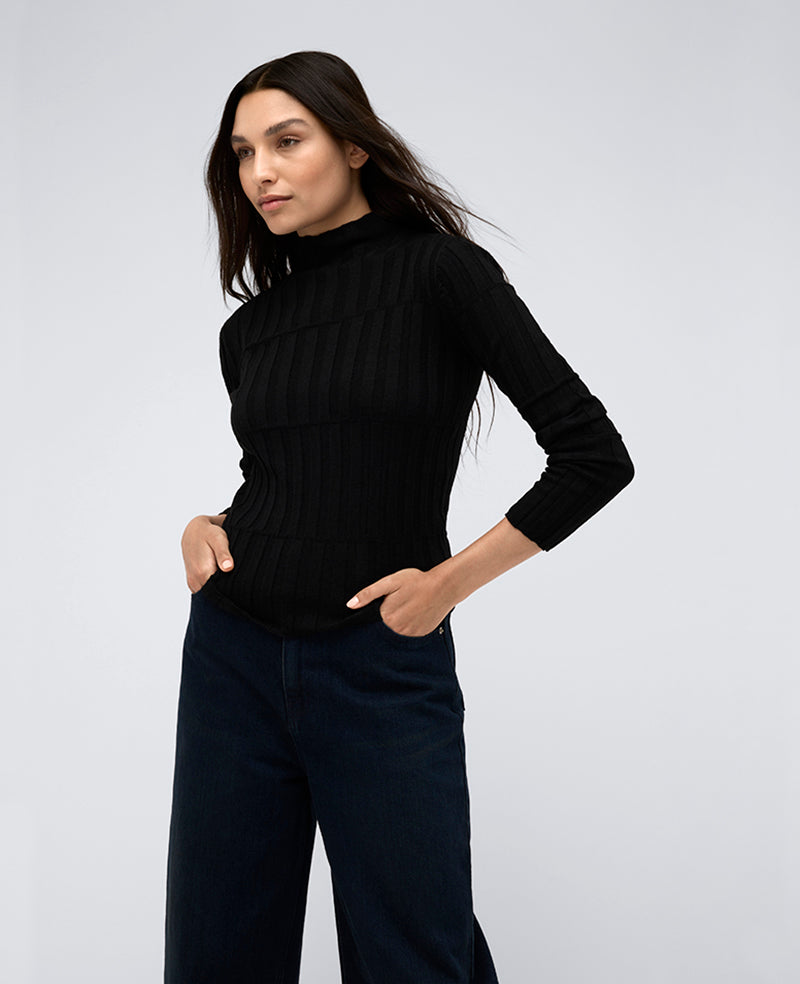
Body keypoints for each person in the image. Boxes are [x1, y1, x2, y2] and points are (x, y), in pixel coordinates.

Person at [164, 50, 634, 984]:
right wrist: (206, 523)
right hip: (231, 657)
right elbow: (293, 473)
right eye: (243, 152)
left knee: (415, 955)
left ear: (354, 146)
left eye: (287, 142)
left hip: (380, 660)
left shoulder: (442, 273)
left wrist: (446, 586)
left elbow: (593, 455)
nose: (261, 171)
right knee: (215, 956)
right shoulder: (249, 329)